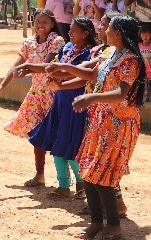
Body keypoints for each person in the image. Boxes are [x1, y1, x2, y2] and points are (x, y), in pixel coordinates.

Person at [55, 15, 145, 240]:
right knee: (88, 171)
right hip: (100, 121)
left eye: (109, 28)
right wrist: (65, 69)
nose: (104, 31)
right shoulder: (110, 55)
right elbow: (93, 75)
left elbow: (121, 94)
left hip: (118, 124)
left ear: (119, 33)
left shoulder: (130, 60)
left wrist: (91, 97)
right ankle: (96, 223)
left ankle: (113, 225)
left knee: (102, 175)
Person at [23, 17, 97, 199]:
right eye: (70, 30)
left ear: (85, 34)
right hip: (61, 99)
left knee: (71, 142)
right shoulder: (67, 49)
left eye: (74, 30)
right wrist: (53, 77)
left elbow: (81, 75)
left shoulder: (91, 53)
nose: (69, 33)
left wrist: (59, 77)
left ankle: (80, 183)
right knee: (57, 141)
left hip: (77, 101)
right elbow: (58, 70)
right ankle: (64, 184)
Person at [0, 9, 65, 187]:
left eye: (45, 21)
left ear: (52, 24)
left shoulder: (56, 41)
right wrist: (1, 86)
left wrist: (27, 66)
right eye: (38, 21)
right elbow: (15, 66)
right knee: (36, 135)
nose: (41, 25)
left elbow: (46, 66)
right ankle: (40, 175)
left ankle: (66, 181)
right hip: (35, 96)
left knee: (59, 135)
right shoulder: (28, 43)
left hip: (53, 94)